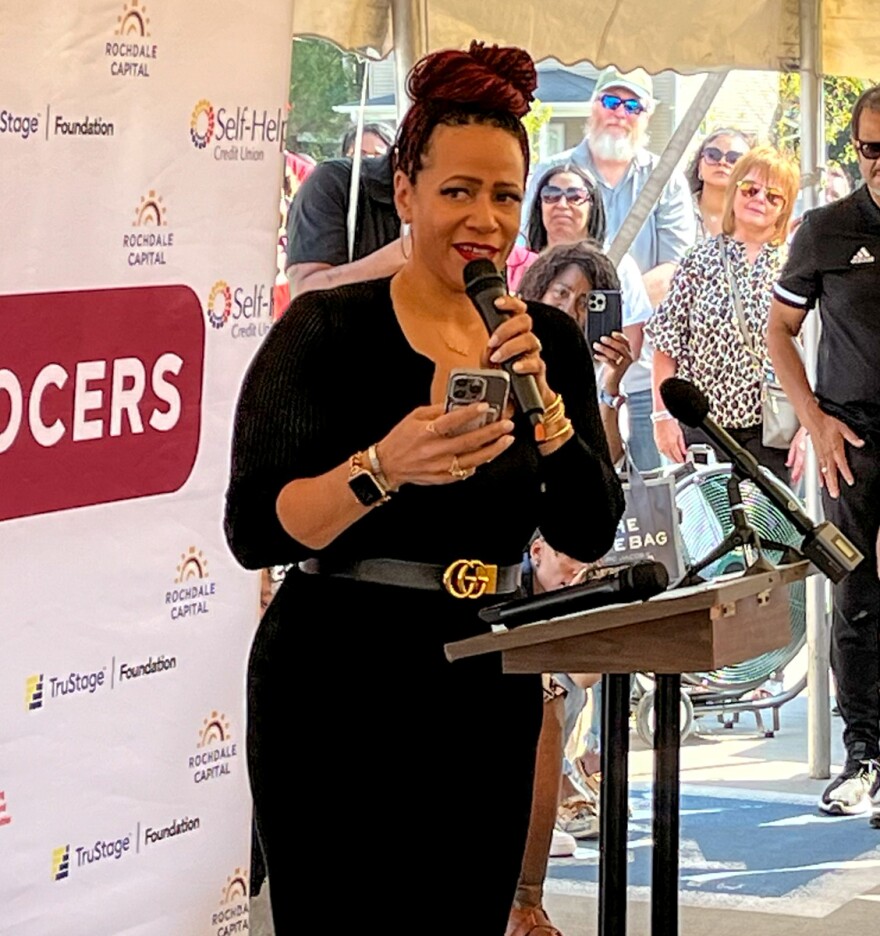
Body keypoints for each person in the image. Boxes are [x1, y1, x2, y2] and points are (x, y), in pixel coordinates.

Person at [225, 41, 624, 933]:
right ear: (404, 192)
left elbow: (591, 528)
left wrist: (548, 407)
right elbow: (256, 529)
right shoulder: (328, 329)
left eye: (504, 195)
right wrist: (381, 469)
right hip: (336, 685)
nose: (484, 218)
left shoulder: (546, 343)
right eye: (457, 191)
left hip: (485, 683)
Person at [767, 85, 880, 817]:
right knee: (856, 595)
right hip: (853, 437)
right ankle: (864, 755)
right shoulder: (826, 229)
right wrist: (813, 419)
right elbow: (778, 330)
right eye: (872, 149)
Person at [524, 66, 696, 471]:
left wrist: (613, 299)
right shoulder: (553, 173)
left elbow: (676, 266)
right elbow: (527, 255)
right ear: (593, 106)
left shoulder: (665, 179)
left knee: (639, 492)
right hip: (545, 371)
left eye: (632, 105)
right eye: (611, 101)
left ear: (647, 115)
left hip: (636, 367)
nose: (621, 112)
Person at [646, 146, 801, 482]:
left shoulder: (796, 267)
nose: (760, 199)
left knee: (771, 530)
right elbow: (666, 342)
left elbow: (819, 354)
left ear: (784, 208)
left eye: (774, 196)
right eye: (750, 189)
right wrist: (662, 415)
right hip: (702, 426)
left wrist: (807, 429)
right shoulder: (698, 259)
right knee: (707, 530)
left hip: (774, 430)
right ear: (734, 192)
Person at [515, 162, 653, 363]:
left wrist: (609, 383)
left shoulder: (620, 265)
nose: (562, 204)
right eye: (551, 195)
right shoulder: (520, 262)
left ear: (592, 205)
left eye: (575, 196)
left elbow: (631, 339)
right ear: (539, 205)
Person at [685, 128, 752, 239]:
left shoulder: (754, 218)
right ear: (699, 166)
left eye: (734, 159)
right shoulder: (676, 209)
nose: (722, 162)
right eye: (712, 155)